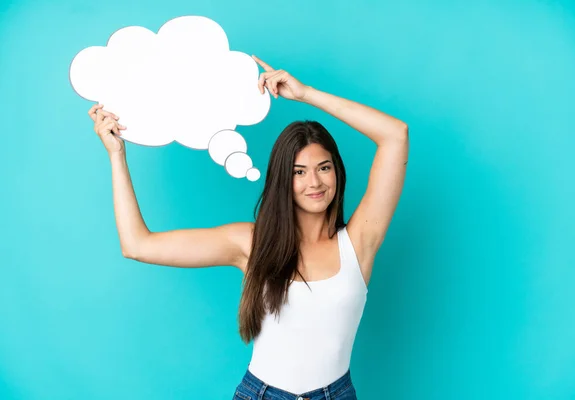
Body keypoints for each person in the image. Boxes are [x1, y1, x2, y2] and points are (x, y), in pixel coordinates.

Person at [88, 55, 409, 400]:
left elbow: (395, 135)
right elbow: (137, 245)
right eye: (299, 171)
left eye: (324, 167)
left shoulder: (360, 241)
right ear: (282, 180)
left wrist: (306, 94)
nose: (314, 182)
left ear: (337, 173)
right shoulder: (252, 242)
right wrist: (116, 155)